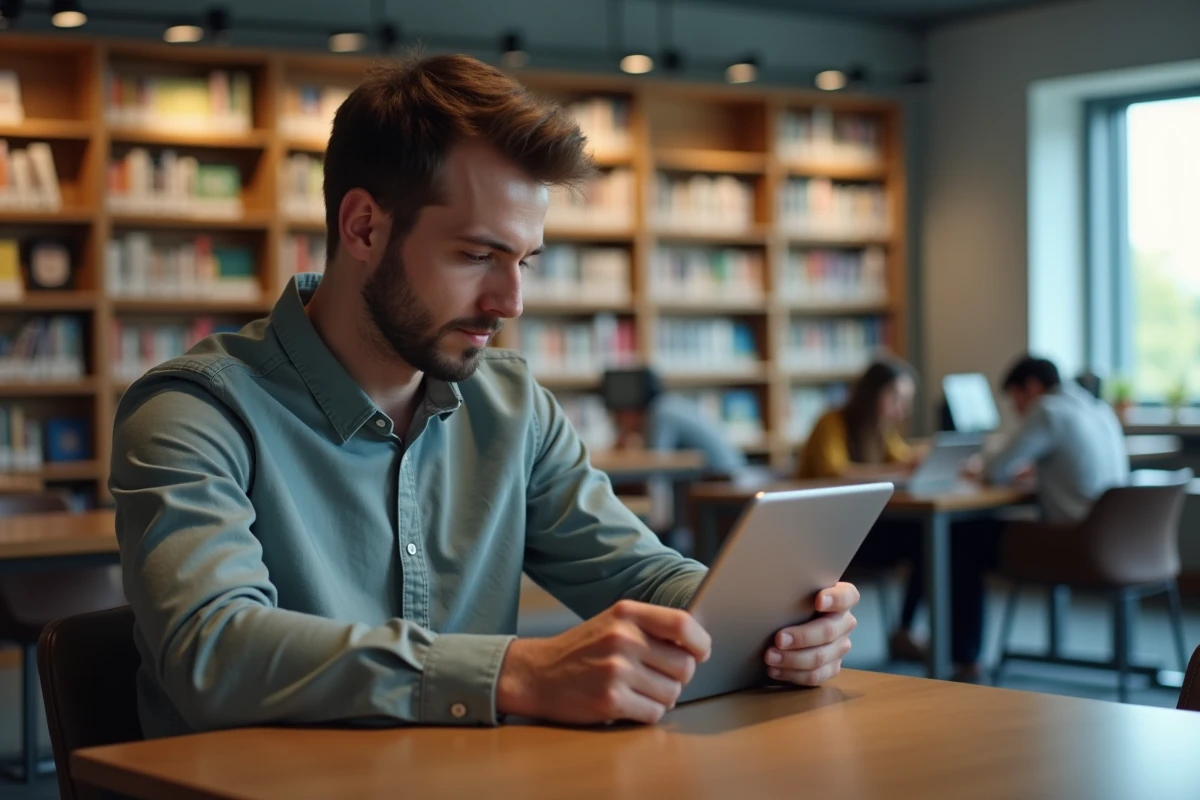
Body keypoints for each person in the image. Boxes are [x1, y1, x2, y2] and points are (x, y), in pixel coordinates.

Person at [110, 53, 861, 738]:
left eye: (526, 261)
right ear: (363, 226)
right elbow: (211, 649)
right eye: (478, 255)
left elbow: (640, 573)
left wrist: (770, 626)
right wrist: (515, 672)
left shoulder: (512, 406)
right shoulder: (193, 412)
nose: (511, 302)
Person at [950, 355, 1130, 680]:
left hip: (1077, 542)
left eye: (1016, 401)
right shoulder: (1096, 407)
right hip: (1120, 541)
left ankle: (967, 660)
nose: (1017, 412)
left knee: (962, 537)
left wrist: (985, 465)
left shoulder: (1047, 410)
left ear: (1031, 387)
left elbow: (995, 470)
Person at [795, 358, 926, 662]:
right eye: (896, 398)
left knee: (926, 539)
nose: (902, 409)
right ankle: (906, 632)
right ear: (872, 395)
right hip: (824, 535)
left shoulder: (881, 430)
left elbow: (902, 460)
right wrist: (898, 469)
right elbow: (835, 472)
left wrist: (920, 461)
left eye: (906, 401)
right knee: (923, 539)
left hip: (859, 531)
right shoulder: (832, 422)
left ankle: (905, 631)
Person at [604, 367, 749, 479]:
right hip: (727, 469)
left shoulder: (662, 413)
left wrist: (627, 436)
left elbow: (656, 462)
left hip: (723, 475)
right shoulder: (667, 404)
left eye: (619, 416)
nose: (618, 421)